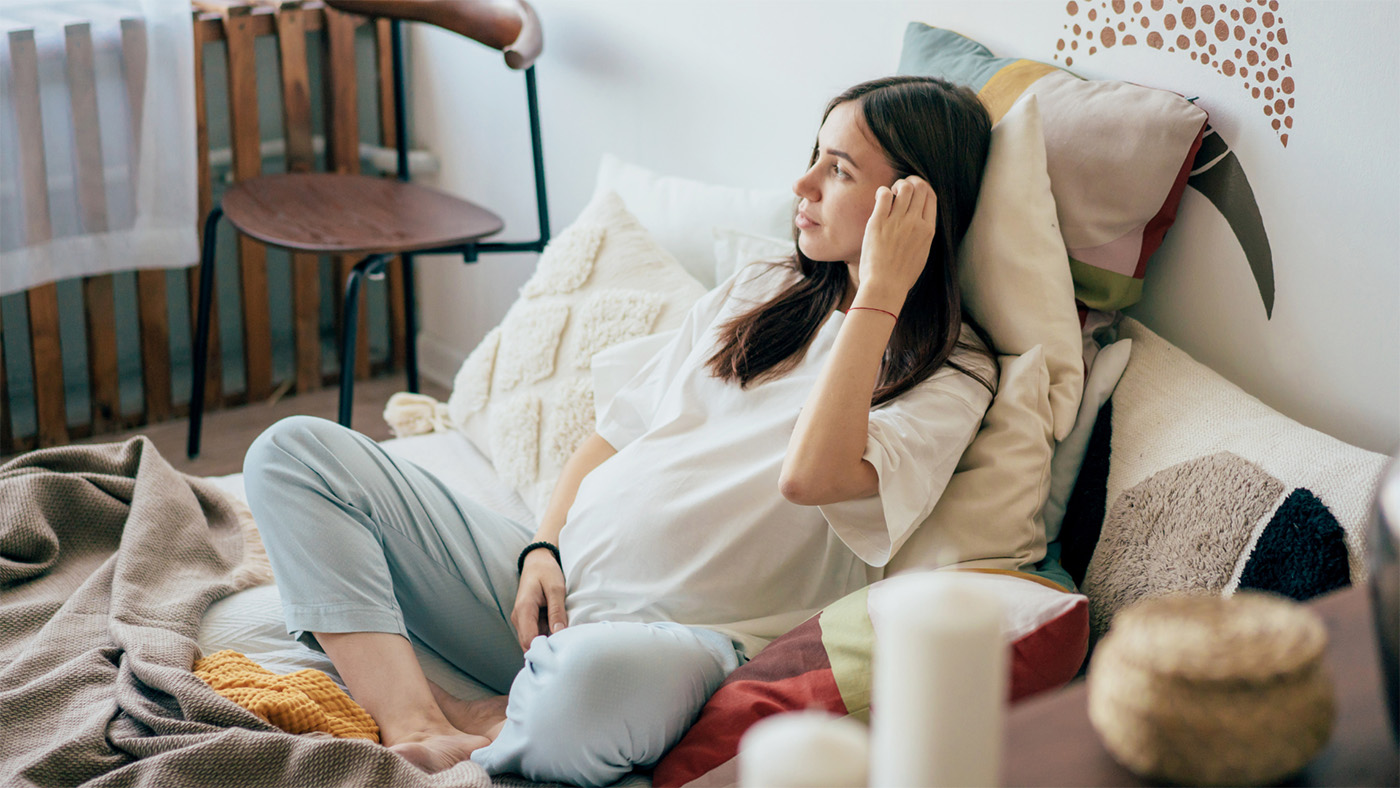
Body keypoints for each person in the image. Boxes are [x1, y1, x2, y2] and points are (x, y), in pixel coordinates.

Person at [242, 74, 999, 785]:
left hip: (679, 645)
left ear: (914, 207)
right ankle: (421, 717)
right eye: (814, 159)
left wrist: (882, 291)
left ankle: (507, 711)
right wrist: (542, 545)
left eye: (837, 169)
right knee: (292, 452)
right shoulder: (765, 285)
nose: (801, 186)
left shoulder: (950, 374)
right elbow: (614, 433)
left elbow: (812, 477)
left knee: (586, 687)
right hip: (547, 593)